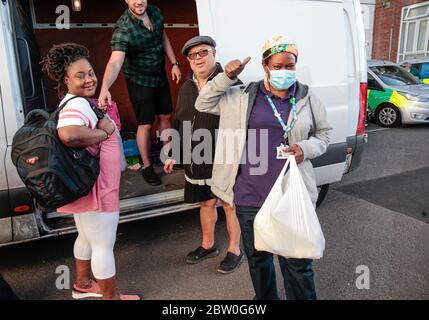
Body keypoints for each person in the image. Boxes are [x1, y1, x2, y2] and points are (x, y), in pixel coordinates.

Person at [195, 36, 331, 300]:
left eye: (289, 65)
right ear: (265, 65)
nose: (284, 71)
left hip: (291, 194)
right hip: (249, 195)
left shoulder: (307, 97)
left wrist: (305, 148)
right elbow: (203, 103)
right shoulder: (241, 95)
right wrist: (226, 77)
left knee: (297, 263)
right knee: (259, 259)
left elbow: (324, 134)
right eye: (277, 66)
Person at [41, 43, 139, 300]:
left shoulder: (76, 101)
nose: (89, 79)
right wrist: (104, 132)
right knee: (103, 246)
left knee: (85, 237)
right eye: (80, 75)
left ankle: (83, 284)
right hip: (97, 190)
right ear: (66, 79)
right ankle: (111, 298)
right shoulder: (78, 105)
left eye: (91, 73)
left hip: (87, 188)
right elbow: (69, 134)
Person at [164, 36, 244, 273]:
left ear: (214, 53)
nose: (198, 58)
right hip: (198, 158)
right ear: (188, 60)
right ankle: (208, 245)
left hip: (224, 157)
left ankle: (235, 250)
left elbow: (241, 122)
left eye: (203, 52)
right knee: (206, 202)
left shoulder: (232, 83)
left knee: (229, 205)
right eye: (192, 55)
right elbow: (181, 121)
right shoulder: (187, 86)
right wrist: (176, 154)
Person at [98, 0, 181, 186]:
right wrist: (105, 88)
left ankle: (169, 158)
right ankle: (147, 166)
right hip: (139, 81)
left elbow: (163, 36)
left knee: (166, 116)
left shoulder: (155, 12)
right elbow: (114, 62)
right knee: (145, 124)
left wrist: (174, 63)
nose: (138, 1)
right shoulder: (123, 28)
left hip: (159, 76)